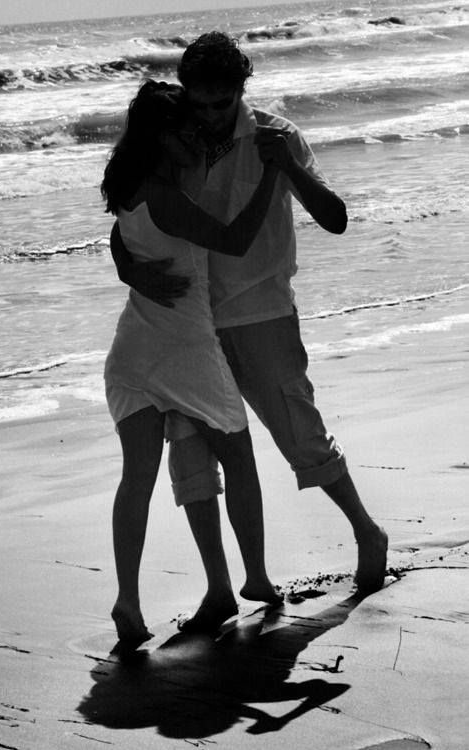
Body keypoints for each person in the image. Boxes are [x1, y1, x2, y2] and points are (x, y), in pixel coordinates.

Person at [110, 32, 388, 622]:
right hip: (187, 326)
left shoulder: (276, 135)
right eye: (200, 103)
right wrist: (129, 267)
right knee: (190, 460)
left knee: (299, 435)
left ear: (242, 89)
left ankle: (367, 531)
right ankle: (219, 588)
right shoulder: (175, 136)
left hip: (260, 312)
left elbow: (334, 219)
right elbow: (131, 215)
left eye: (221, 102)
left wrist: (285, 165)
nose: (209, 116)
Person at [101, 79, 282, 651]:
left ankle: (128, 600)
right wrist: (273, 173)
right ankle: (253, 575)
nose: (198, 134)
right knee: (240, 457)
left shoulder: (131, 185)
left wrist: (131, 269)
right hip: (186, 350)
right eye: (187, 129)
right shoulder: (166, 195)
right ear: (162, 137)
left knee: (138, 478)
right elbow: (234, 239)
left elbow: (116, 232)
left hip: (131, 352)